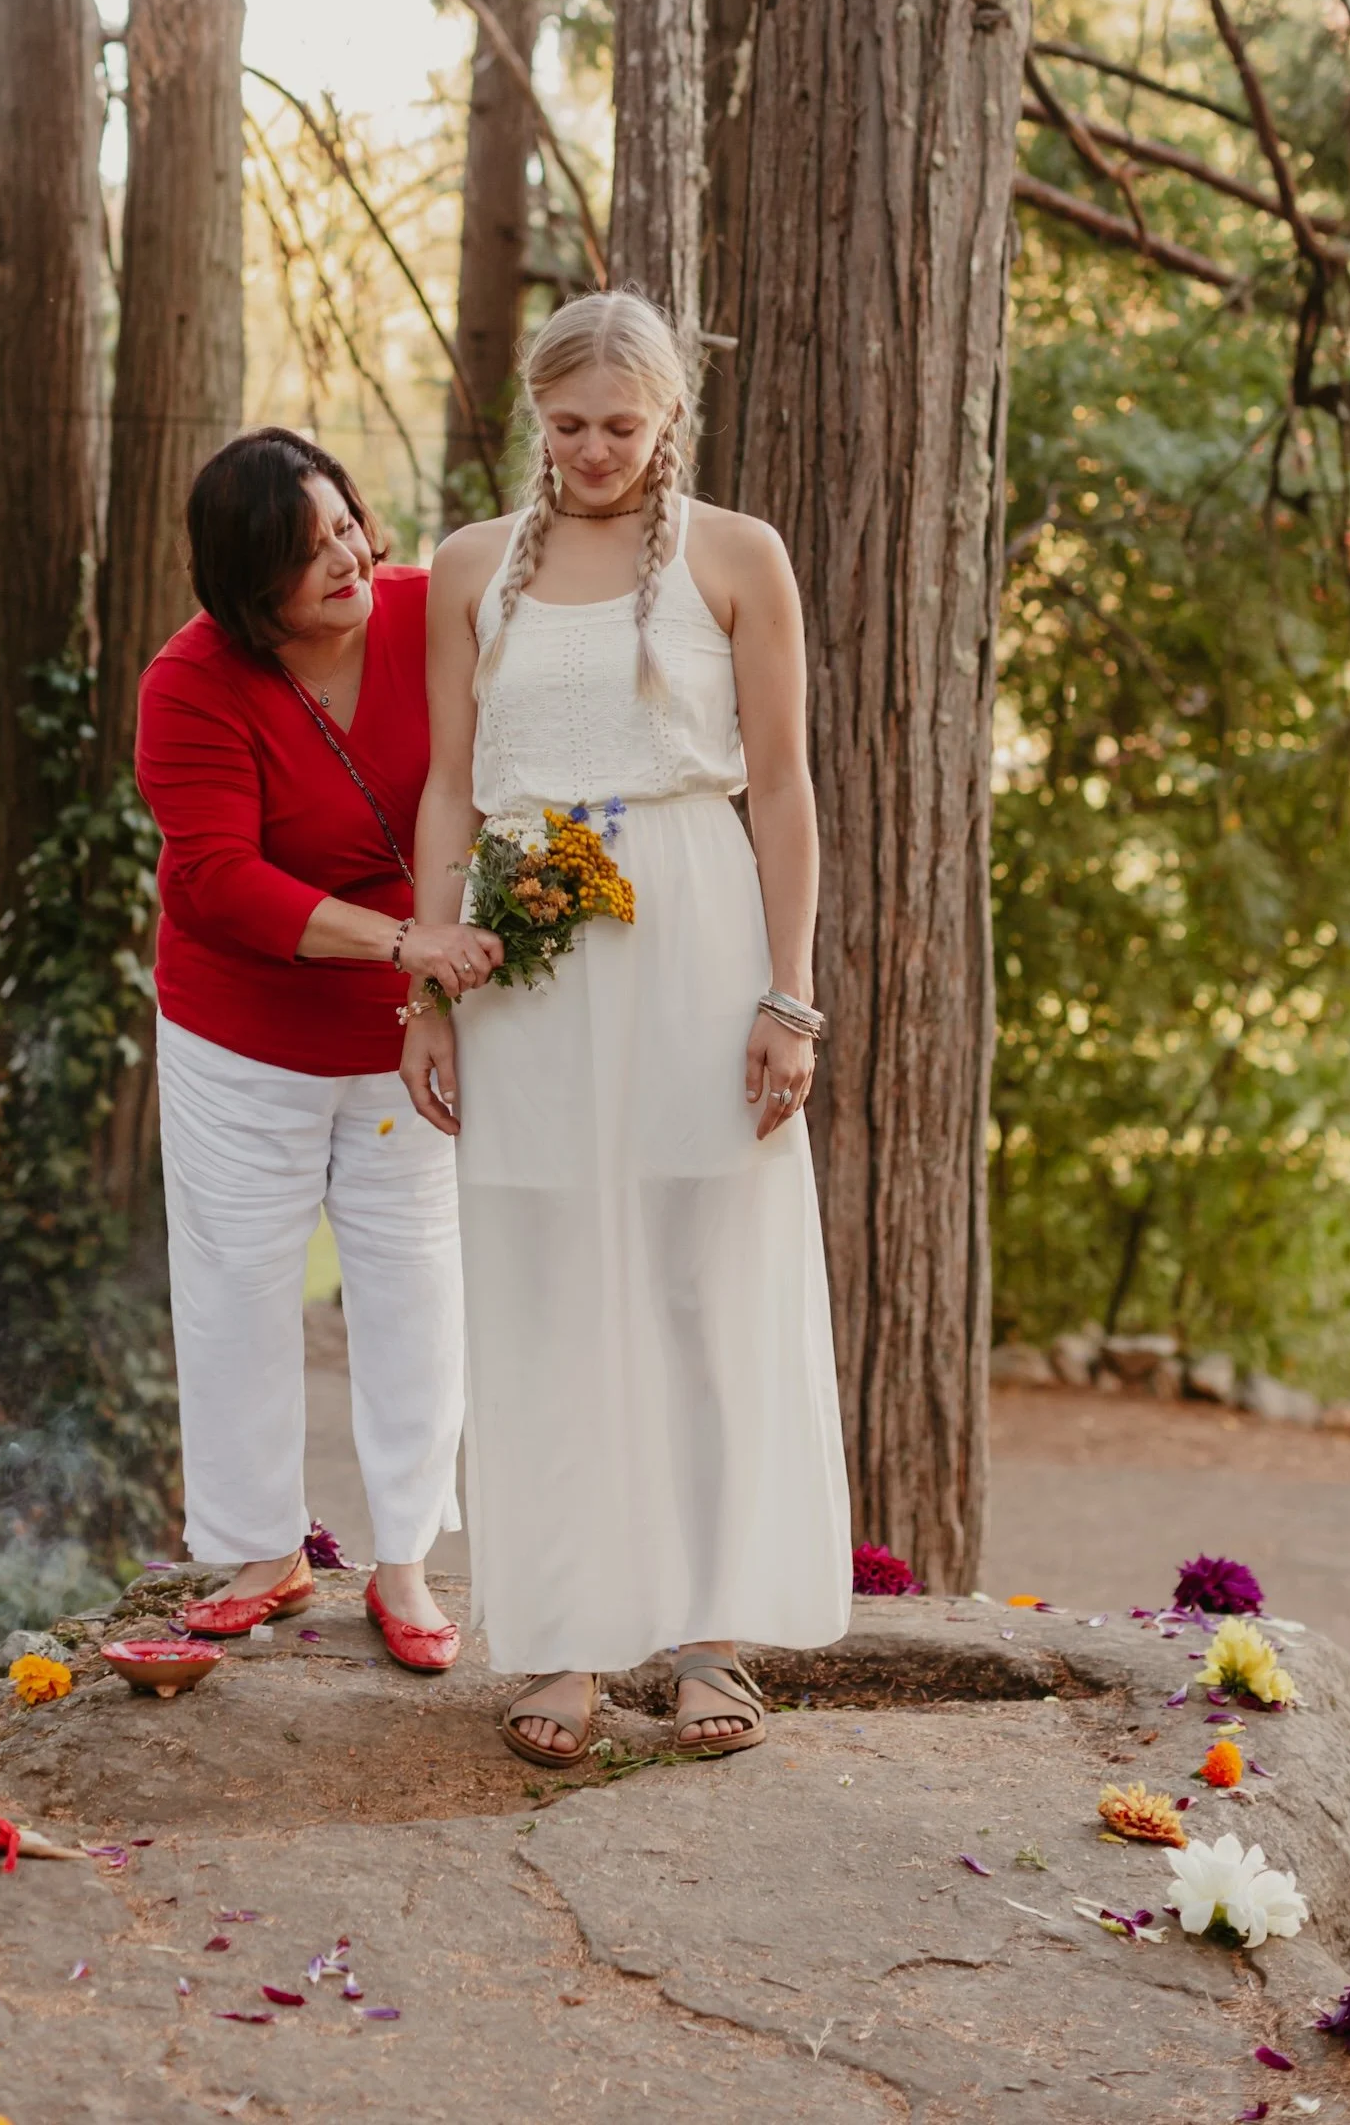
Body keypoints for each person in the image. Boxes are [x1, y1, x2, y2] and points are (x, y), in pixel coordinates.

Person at [402, 292, 853, 1761]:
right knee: (542, 1276)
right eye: (568, 426)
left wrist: (789, 995)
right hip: (525, 942)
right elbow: (449, 791)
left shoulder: (737, 558)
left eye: (622, 426)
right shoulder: (471, 567)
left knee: (696, 1276)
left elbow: (779, 787)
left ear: (668, 422)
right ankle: (564, 1639)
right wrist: (428, 989)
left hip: (698, 929)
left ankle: (711, 1639)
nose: (594, 451)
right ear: (535, 418)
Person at [137, 428, 504, 1672]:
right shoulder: (187, 686)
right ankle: (262, 1551)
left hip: (409, 1030)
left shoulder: (427, 616)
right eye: (305, 553)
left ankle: (401, 1562)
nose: (344, 557)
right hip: (241, 1033)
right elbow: (220, 879)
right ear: (248, 587)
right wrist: (404, 944)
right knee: (240, 1285)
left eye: (344, 521)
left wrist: (428, 980)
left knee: (412, 1286)